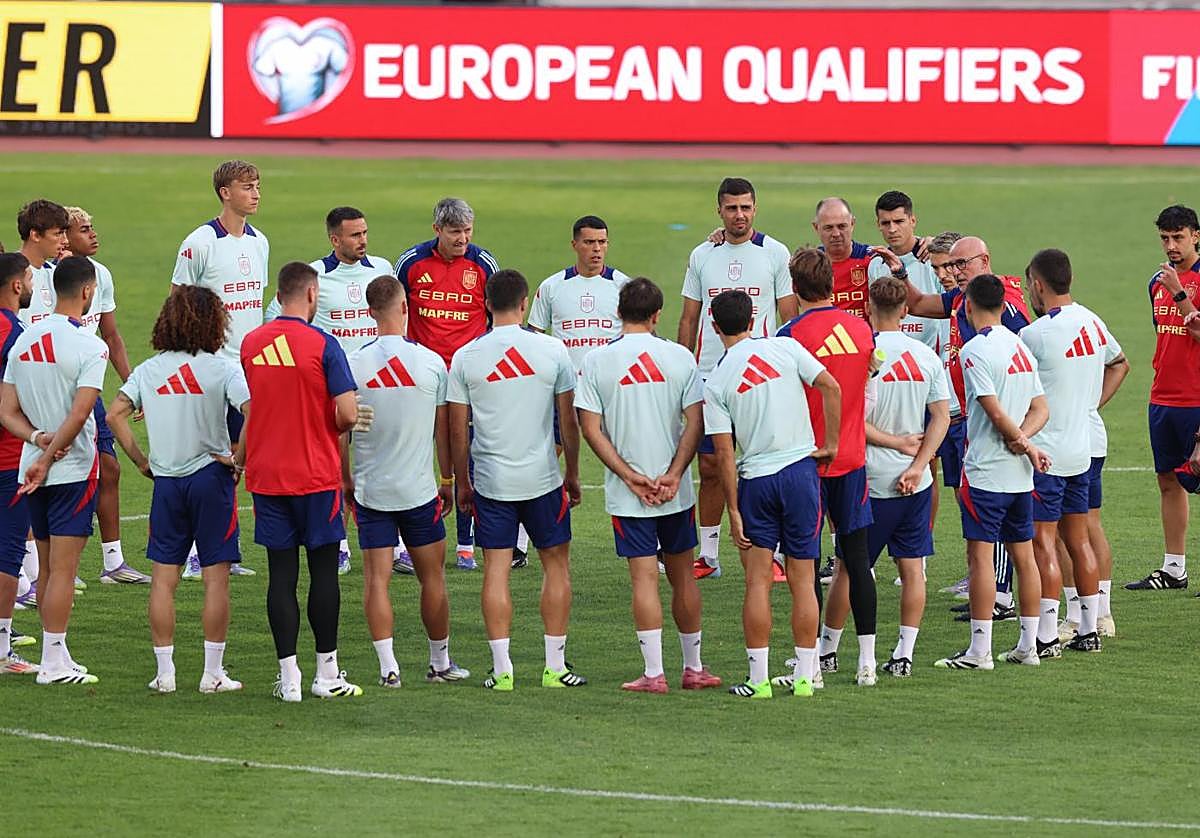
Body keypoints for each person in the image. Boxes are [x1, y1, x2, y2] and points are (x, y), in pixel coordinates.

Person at [576, 277, 721, 693]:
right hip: (676, 492)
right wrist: (674, 473)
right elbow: (696, 421)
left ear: (618, 313)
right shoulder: (679, 357)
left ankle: (654, 673)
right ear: (657, 315)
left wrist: (629, 476)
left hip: (629, 496)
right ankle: (693, 668)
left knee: (644, 580)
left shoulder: (597, 360)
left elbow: (590, 428)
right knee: (683, 577)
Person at [106, 287, 249, 694]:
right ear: (215, 323)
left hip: (167, 483)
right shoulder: (223, 368)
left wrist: (141, 460)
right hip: (211, 480)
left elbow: (115, 415)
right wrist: (239, 459)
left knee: (162, 580)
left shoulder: (149, 370)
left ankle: (165, 674)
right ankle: (212, 674)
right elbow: (252, 409)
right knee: (216, 580)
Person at [448, 269, 583, 691]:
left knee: (496, 570)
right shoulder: (552, 350)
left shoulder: (466, 356)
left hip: (491, 482)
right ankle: (554, 667)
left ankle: (502, 670)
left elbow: (457, 428)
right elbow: (568, 420)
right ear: (525, 304)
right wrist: (572, 472)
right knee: (555, 566)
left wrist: (460, 481)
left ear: (486, 304)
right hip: (543, 479)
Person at [702, 290, 841, 698]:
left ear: (714, 327)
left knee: (758, 582)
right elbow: (831, 386)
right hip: (800, 473)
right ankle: (805, 677)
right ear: (754, 320)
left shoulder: (717, 380)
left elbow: (724, 454)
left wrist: (733, 510)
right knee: (804, 579)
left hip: (757, 481)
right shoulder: (785, 347)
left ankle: (758, 679)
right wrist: (831, 443)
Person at [240, 262, 365, 702]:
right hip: (315, 475)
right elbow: (348, 413)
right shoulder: (324, 344)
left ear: (279, 296)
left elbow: (258, 403)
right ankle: (326, 674)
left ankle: (288, 677)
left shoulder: (251, 343)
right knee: (324, 573)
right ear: (313, 295)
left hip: (268, 476)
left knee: (281, 576)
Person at [893, 236, 1031, 619]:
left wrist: (1013, 425)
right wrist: (901, 272)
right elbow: (919, 303)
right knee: (973, 505)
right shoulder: (961, 298)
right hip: (963, 418)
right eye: (950, 266)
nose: (954, 272)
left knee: (994, 508)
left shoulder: (1004, 303)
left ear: (984, 260)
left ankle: (1001, 596)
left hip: (990, 423)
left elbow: (1022, 357)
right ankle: (988, 590)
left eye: (961, 264)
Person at [345, 276, 468, 688]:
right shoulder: (431, 362)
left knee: (376, 580)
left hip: (371, 491)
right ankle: (439, 663)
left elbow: (340, 428)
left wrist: (346, 480)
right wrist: (447, 479)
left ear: (369, 312)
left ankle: (388, 669)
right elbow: (444, 430)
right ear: (405, 308)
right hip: (419, 491)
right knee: (432, 578)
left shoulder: (352, 363)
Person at [676, 177, 796, 580]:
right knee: (710, 465)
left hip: (761, 377)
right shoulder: (702, 254)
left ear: (755, 208)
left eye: (745, 207)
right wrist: (683, 370)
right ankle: (708, 555)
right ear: (719, 210)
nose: (739, 215)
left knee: (767, 464)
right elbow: (689, 317)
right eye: (731, 208)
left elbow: (789, 316)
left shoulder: (774, 252)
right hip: (710, 376)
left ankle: (772, 553)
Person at [266, 206, 393, 576]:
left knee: (383, 460)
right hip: (332, 390)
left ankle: (394, 542)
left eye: (364, 232)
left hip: (376, 384)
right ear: (335, 239)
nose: (363, 240)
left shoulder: (382, 269)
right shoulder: (315, 275)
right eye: (354, 235)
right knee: (335, 466)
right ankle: (339, 544)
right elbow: (276, 319)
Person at [0, 256, 108, 685]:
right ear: (87, 291)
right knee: (63, 571)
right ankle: (54, 664)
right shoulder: (90, 347)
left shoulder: (25, 338)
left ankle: (54, 655)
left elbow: (6, 411)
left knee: (46, 568)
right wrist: (51, 455)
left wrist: (38, 441)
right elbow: (81, 413)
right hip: (73, 470)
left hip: (30, 469)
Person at [934, 274, 1049, 671]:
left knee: (981, 558)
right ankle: (1028, 647)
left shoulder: (973, 351)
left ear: (968, 306)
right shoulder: (1021, 346)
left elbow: (992, 410)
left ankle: (979, 651)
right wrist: (1027, 441)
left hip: (985, 471)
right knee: (1024, 557)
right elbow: (1041, 408)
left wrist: (1021, 441)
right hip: (1019, 475)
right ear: (1003, 305)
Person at [777, 249, 878, 687]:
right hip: (853, 457)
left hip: (807, 461)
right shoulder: (862, 329)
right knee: (857, 559)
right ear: (832, 285)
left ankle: (812, 665)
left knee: (806, 563)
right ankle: (867, 663)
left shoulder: (789, 335)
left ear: (794, 288)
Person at [1019, 249, 1121, 656]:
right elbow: (1120, 363)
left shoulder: (1036, 334)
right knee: (1079, 541)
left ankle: (1045, 637)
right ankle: (1089, 629)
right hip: (1084, 449)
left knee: (1043, 543)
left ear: (1038, 284)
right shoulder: (1092, 321)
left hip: (1047, 454)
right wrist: (1090, 405)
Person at [172, 159, 269, 579]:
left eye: (257, 185)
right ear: (225, 193)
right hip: (209, 367)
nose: (256, 193)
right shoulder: (199, 243)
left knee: (237, 458)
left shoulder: (260, 242)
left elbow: (254, 306)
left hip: (246, 370)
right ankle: (199, 553)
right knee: (208, 462)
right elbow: (177, 303)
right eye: (247, 187)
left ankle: (223, 551)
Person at [395, 198, 499, 572]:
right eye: (455, 232)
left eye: (467, 231)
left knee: (466, 452)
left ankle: (466, 544)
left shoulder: (483, 264)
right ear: (437, 230)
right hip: (422, 374)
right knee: (417, 452)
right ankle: (413, 543)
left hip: (466, 376)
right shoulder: (410, 263)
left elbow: (496, 319)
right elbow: (395, 313)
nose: (463, 239)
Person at [861, 277, 950, 676]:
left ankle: (827, 651)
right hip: (916, 483)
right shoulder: (926, 357)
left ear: (868, 308)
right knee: (912, 570)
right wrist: (919, 465)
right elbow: (942, 417)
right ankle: (904, 655)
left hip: (871, 480)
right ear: (905, 311)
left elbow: (852, 421)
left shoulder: (864, 355)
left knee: (850, 569)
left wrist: (894, 443)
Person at [58, 206, 146, 585]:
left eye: (92, 227)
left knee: (108, 469)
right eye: (83, 229)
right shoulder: (46, 280)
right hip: (57, 388)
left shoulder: (101, 275)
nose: (93, 234)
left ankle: (113, 563)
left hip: (87, 388)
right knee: (60, 474)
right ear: (63, 237)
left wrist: (132, 386)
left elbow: (111, 335)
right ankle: (48, 569)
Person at [1125, 205, 1200, 591]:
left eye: (1178, 237)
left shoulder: (1180, 282)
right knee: (1168, 481)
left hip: (1196, 399)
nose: (1171, 245)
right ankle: (1174, 569)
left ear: (1195, 237)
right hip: (1163, 398)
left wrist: (1180, 293)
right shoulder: (1156, 282)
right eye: (1164, 238)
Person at [13, 200, 68, 604]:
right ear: (35, 235)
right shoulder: (13, 277)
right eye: (57, 233)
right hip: (18, 397)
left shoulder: (52, 275)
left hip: (49, 396)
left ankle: (31, 575)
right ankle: (21, 576)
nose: (64, 240)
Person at [528, 215, 632, 378]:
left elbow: (640, 336)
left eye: (602, 242)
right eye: (589, 242)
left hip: (609, 381)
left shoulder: (624, 286)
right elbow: (535, 339)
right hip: (567, 384)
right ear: (574, 245)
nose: (597, 248)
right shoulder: (551, 286)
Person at [0, 253, 36, 676]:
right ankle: (2, 650)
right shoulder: (15, 333)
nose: (32, 285)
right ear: (15, 285)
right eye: (29, 278)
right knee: (8, 552)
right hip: (9, 457)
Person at [867, 191, 941, 351]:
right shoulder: (876, 264)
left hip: (930, 356)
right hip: (892, 355)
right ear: (878, 224)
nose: (892, 229)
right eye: (886, 223)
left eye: (899, 221)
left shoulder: (932, 258)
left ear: (912, 221)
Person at [812, 197, 874, 323]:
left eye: (841, 226)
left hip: (864, 335)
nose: (836, 234)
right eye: (828, 228)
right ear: (816, 227)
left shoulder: (873, 259)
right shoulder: (809, 266)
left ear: (852, 224)